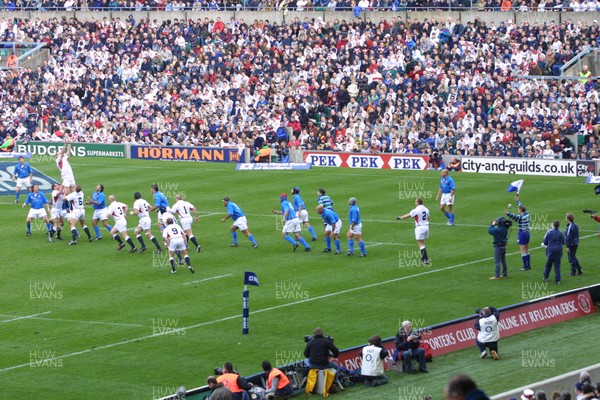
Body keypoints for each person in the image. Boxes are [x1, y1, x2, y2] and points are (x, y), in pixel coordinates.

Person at [397, 198, 431, 265]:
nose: (415, 203)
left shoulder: (416, 210)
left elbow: (407, 216)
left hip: (419, 228)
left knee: (420, 244)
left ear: (418, 202)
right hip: (426, 227)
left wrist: (400, 217)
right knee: (422, 242)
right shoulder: (426, 209)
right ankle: (424, 258)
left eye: (415, 201)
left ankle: (425, 259)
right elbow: (428, 218)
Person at [505, 195, 531, 271]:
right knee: (526, 249)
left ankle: (525, 266)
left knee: (522, 250)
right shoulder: (527, 214)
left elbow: (513, 216)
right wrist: (517, 201)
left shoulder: (520, 217)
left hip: (522, 234)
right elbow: (521, 207)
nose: (518, 211)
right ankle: (528, 265)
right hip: (527, 233)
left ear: (520, 210)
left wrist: (507, 213)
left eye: (518, 210)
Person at [542, 220, 564, 285]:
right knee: (557, 266)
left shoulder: (549, 232)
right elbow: (563, 242)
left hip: (551, 250)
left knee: (548, 265)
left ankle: (546, 277)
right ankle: (558, 280)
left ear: (553, 225)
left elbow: (545, 242)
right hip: (558, 250)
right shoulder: (561, 232)